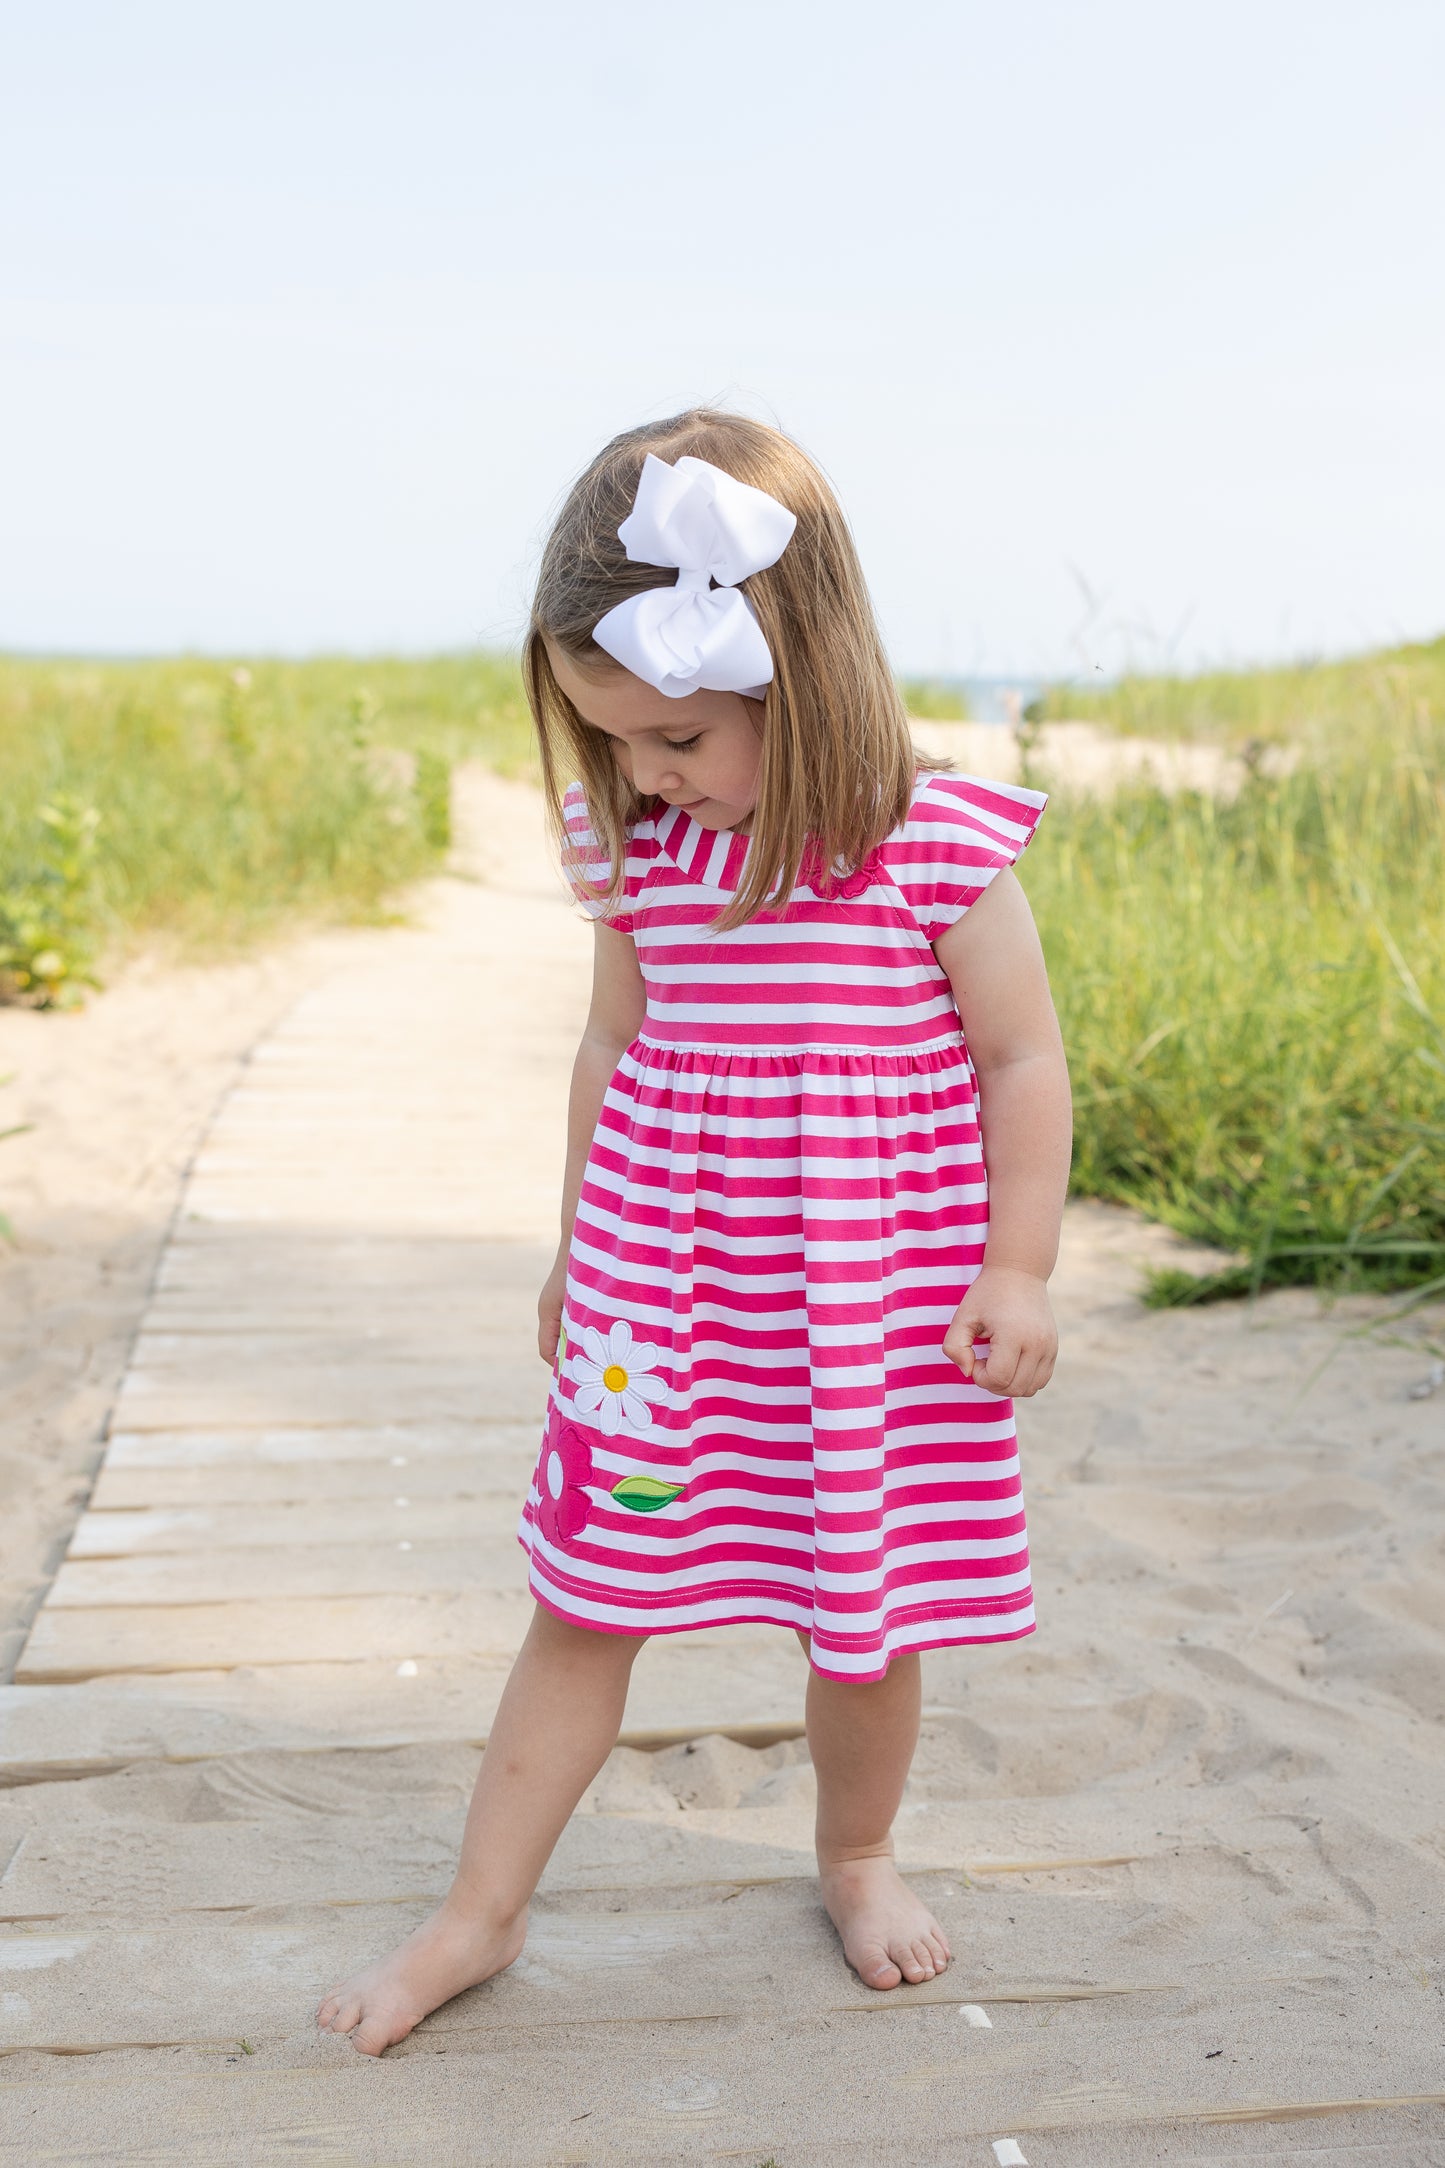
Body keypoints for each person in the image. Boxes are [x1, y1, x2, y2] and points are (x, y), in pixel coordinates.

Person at [318, 409, 1072, 2056]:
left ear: (792, 680)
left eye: (671, 736)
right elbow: (610, 1049)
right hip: (662, 1298)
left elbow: (1020, 1058)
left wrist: (1015, 1263)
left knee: (862, 1608)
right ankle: (480, 1912)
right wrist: (575, 1244)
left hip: (871, 1303)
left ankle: (855, 1854)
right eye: (612, 739)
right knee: (588, 1590)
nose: (643, 774)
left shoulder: (927, 847)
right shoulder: (642, 852)